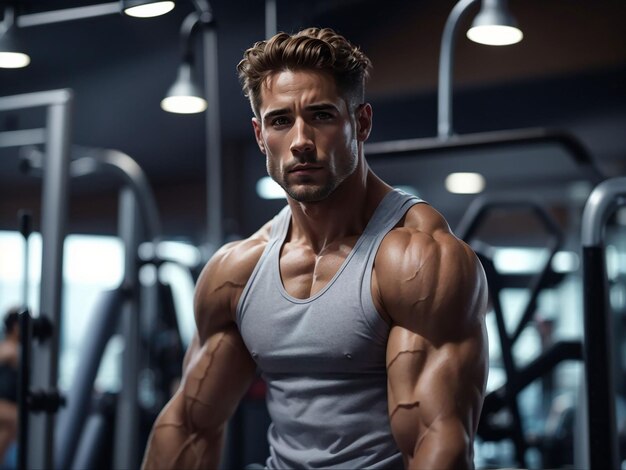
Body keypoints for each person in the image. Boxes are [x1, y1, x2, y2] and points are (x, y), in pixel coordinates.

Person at [142, 27, 488, 469]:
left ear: (361, 122)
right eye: (280, 120)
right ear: (259, 134)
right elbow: (189, 426)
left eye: (322, 115)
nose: (300, 140)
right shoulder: (237, 272)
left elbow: (438, 442)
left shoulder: (416, 261)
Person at [0, 308, 19, 469]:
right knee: (22, 418)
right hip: (2, 405)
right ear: (15, 327)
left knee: (7, 430)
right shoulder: (9, 349)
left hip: (7, 405)